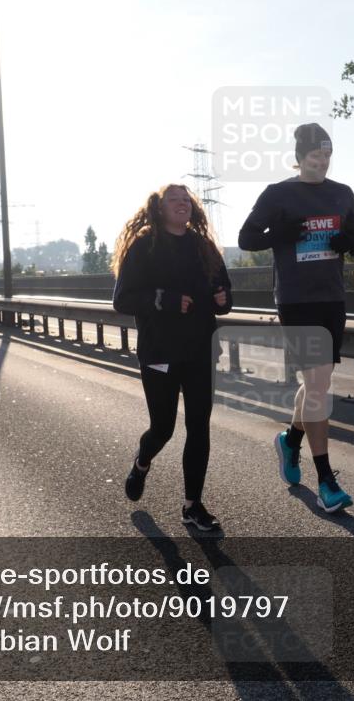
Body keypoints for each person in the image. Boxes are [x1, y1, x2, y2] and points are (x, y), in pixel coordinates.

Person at [238, 122, 354, 513]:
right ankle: (326, 480)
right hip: (296, 301)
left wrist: (349, 242)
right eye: (315, 155)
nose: (322, 162)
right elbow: (246, 238)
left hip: (332, 299)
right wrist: (277, 234)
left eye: (327, 155)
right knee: (318, 388)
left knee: (317, 384)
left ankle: (290, 441)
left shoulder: (342, 193)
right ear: (299, 157)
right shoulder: (278, 194)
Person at [112, 184, 233, 531]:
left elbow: (224, 293)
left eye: (186, 199)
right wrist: (164, 300)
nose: (182, 203)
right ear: (160, 208)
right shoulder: (144, 246)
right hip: (160, 352)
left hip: (200, 350)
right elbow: (122, 300)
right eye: (174, 199)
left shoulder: (203, 246)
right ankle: (142, 462)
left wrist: (223, 299)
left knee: (199, 427)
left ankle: (192, 505)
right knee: (162, 429)